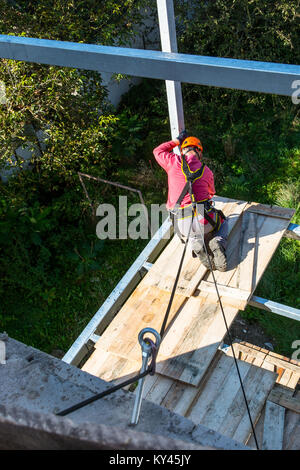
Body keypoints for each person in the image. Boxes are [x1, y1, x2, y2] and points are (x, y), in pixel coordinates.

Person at [153, 130, 228, 271]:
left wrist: (177, 140)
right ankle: (218, 242)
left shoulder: (173, 162)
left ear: (182, 150)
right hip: (205, 219)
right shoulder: (207, 171)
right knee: (223, 222)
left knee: (190, 233)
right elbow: (211, 193)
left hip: (182, 223)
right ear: (199, 152)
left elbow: (157, 150)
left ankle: (196, 244)